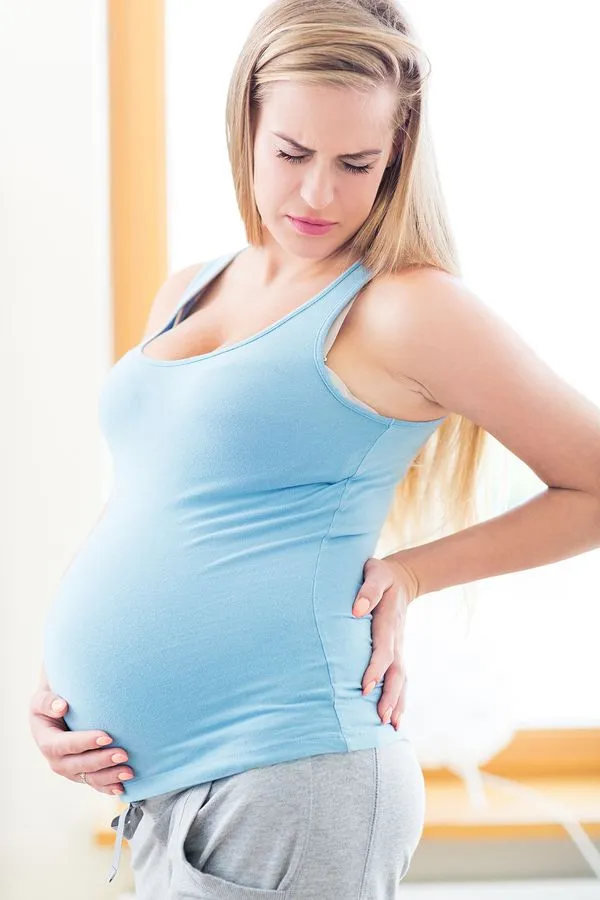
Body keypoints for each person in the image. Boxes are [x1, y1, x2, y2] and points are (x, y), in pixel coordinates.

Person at [29, 0, 600, 897]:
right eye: (292, 154)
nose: (317, 195)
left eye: (356, 164)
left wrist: (411, 575)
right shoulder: (191, 289)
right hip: (169, 791)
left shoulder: (406, 307)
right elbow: (150, 505)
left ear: (398, 156)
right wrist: (62, 692)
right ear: (246, 127)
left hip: (291, 776)